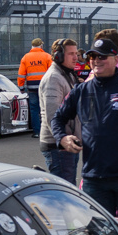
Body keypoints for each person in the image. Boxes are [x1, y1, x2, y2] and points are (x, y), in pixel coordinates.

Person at [51, 37, 118, 216]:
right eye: (92, 56)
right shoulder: (81, 91)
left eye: (102, 57)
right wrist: (62, 138)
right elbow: (57, 119)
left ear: (116, 60)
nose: (96, 60)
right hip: (93, 179)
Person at [38, 37, 80, 183]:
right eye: (71, 54)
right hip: (59, 145)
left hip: (67, 144)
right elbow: (52, 114)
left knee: (69, 188)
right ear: (59, 55)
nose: (76, 57)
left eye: (76, 53)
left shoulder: (66, 74)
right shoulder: (54, 78)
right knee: (65, 193)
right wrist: (62, 138)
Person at [17, 37, 52, 135]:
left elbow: (21, 74)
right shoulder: (47, 56)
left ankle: (37, 132)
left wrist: (21, 87)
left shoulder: (26, 57)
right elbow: (52, 72)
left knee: (34, 109)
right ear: (41, 45)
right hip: (45, 87)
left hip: (31, 87)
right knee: (46, 108)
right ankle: (47, 131)